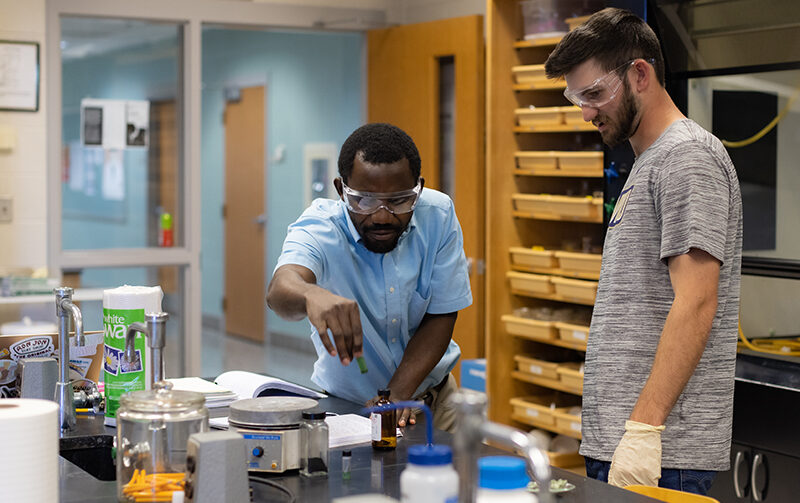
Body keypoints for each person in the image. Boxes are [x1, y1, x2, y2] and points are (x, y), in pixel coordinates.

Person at [544, 8, 743, 495]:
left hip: (661, 453)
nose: (587, 113)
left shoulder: (687, 157)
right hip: (624, 443)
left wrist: (643, 430)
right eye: (578, 98)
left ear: (639, 74)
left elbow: (696, 300)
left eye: (594, 94)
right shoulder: (648, 162)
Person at [267, 123, 472, 433]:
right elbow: (280, 289)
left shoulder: (438, 215)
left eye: (400, 200)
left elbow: (441, 315)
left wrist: (395, 397)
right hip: (348, 413)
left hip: (433, 405)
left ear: (418, 187)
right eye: (364, 200)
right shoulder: (321, 226)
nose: (382, 216)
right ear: (341, 189)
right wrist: (311, 295)